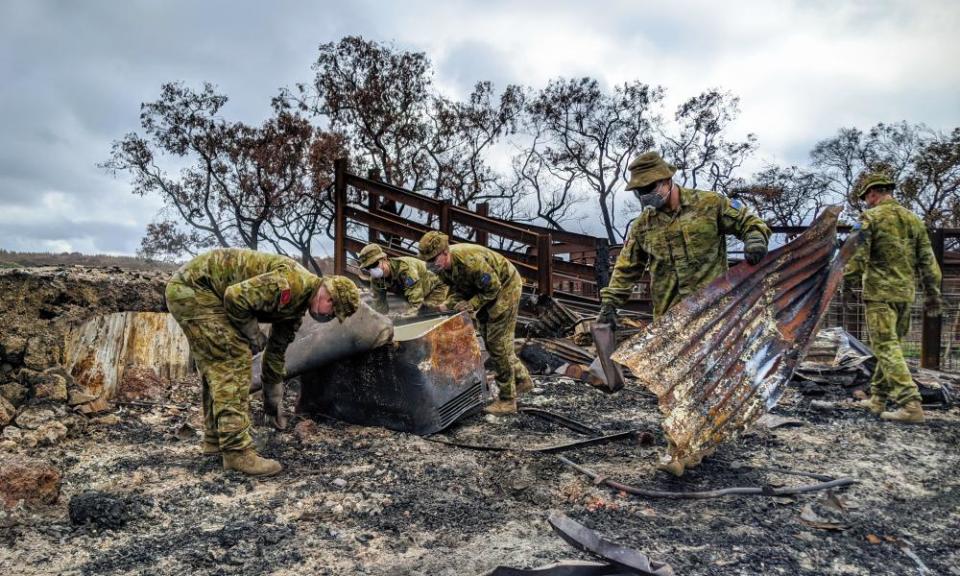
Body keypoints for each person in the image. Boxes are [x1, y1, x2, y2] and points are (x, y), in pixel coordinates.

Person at [165, 248, 360, 476]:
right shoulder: (290, 284)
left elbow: (275, 353)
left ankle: (216, 439)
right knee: (232, 362)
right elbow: (234, 297)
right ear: (328, 296)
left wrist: (272, 400)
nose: (330, 317)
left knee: (217, 368)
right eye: (333, 310)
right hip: (195, 290)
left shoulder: (296, 310)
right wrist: (254, 335)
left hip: (202, 293)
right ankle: (237, 452)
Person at [597, 150, 772, 325]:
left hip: (715, 312)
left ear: (667, 180)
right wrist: (610, 304)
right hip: (669, 322)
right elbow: (627, 268)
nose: (644, 195)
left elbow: (747, 222)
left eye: (649, 188)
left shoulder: (710, 205)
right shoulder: (643, 226)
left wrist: (755, 238)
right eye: (639, 191)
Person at [844, 172, 943, 423]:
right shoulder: (913, 220)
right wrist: (932, 293)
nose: (867, 201)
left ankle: (910, 404)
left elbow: (857, 256)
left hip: (879, 295)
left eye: (866, 196)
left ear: (873, 193)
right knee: (891, 347)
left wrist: (848, 283)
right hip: (905, 295)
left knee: (885, 347)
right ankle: (878, 399)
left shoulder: (870, 218)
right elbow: (929, 263)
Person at [418, 231, 533, 414]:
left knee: (497, 344)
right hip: (486, 289)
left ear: (445, 253)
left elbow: (493, 288)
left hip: (505, 287)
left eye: (432, 259)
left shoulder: (470, 262)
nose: (430, 264)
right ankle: (522, 380)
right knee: (488, 338)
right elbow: (460, 290)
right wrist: (442, 307)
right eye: (427, 260)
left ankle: (507, 400)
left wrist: (471, 304)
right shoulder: (442, 269)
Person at [356, 243, 448, 316]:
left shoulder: (405, 269)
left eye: (374, 265)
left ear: (384, 259)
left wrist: (406, 316)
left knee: (430, 315)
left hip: (437, 288)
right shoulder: (377, 280)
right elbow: (379, 306)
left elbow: (416, 302)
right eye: (368, 268)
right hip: (418, 293)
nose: (372, 270)